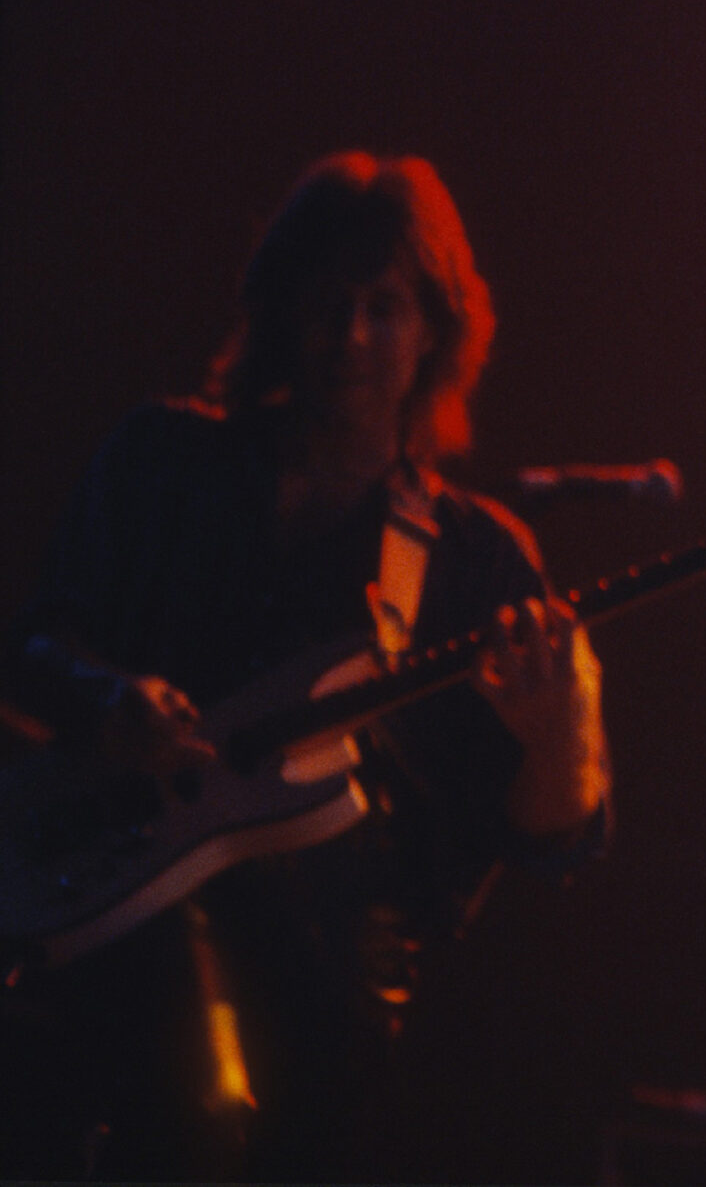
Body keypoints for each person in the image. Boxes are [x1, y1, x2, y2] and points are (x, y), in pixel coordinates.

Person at [1, 151, 611, 1181]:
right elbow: (33, 648)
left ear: (435, 331)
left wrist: (565, 730)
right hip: (106, 948)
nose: (353, 337)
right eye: (328, 302)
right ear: (279, 308)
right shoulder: (159, 461)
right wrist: (111, 702)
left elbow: (554, 841)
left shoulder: (476, 560)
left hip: (329, 1019)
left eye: (385, 306)